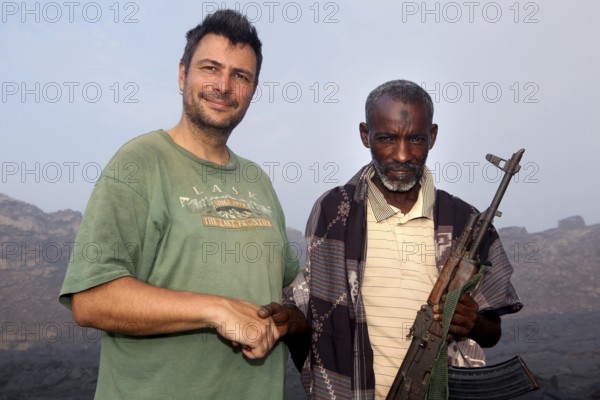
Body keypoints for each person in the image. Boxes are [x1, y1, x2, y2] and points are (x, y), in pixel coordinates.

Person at [59, 9, 307, 400]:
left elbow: (294, 291)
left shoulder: (257, 180)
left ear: (252, 90)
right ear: (182, 74)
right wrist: (216, 310)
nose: (223, 86)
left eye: (240, 76)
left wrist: (285, 320)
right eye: (210, 68)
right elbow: (90, 300)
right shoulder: (139, 162)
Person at [281, 79, 523, 399]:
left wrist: (471, 322)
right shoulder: (333, 211)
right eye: (387, 138)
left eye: (416, 139)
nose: (402, 154)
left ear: (433, 136)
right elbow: (315, 314)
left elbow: (492, 332)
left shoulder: (465, 221)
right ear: (365, 135)